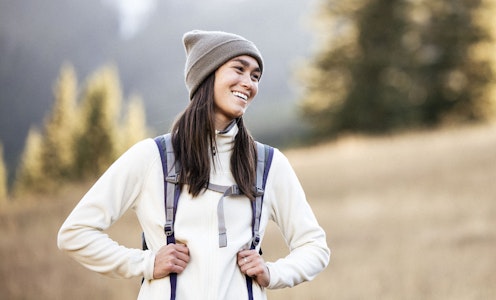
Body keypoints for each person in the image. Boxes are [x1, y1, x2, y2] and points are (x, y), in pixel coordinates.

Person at [57, 30, 330, 299]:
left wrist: (273, 273)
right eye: (239, 69)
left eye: (255, 76)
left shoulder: (268, 164)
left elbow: (315, 247)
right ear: (206, 75)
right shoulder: (153, 157)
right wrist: (147, 263)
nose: (249, 83)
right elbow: (75, 233)